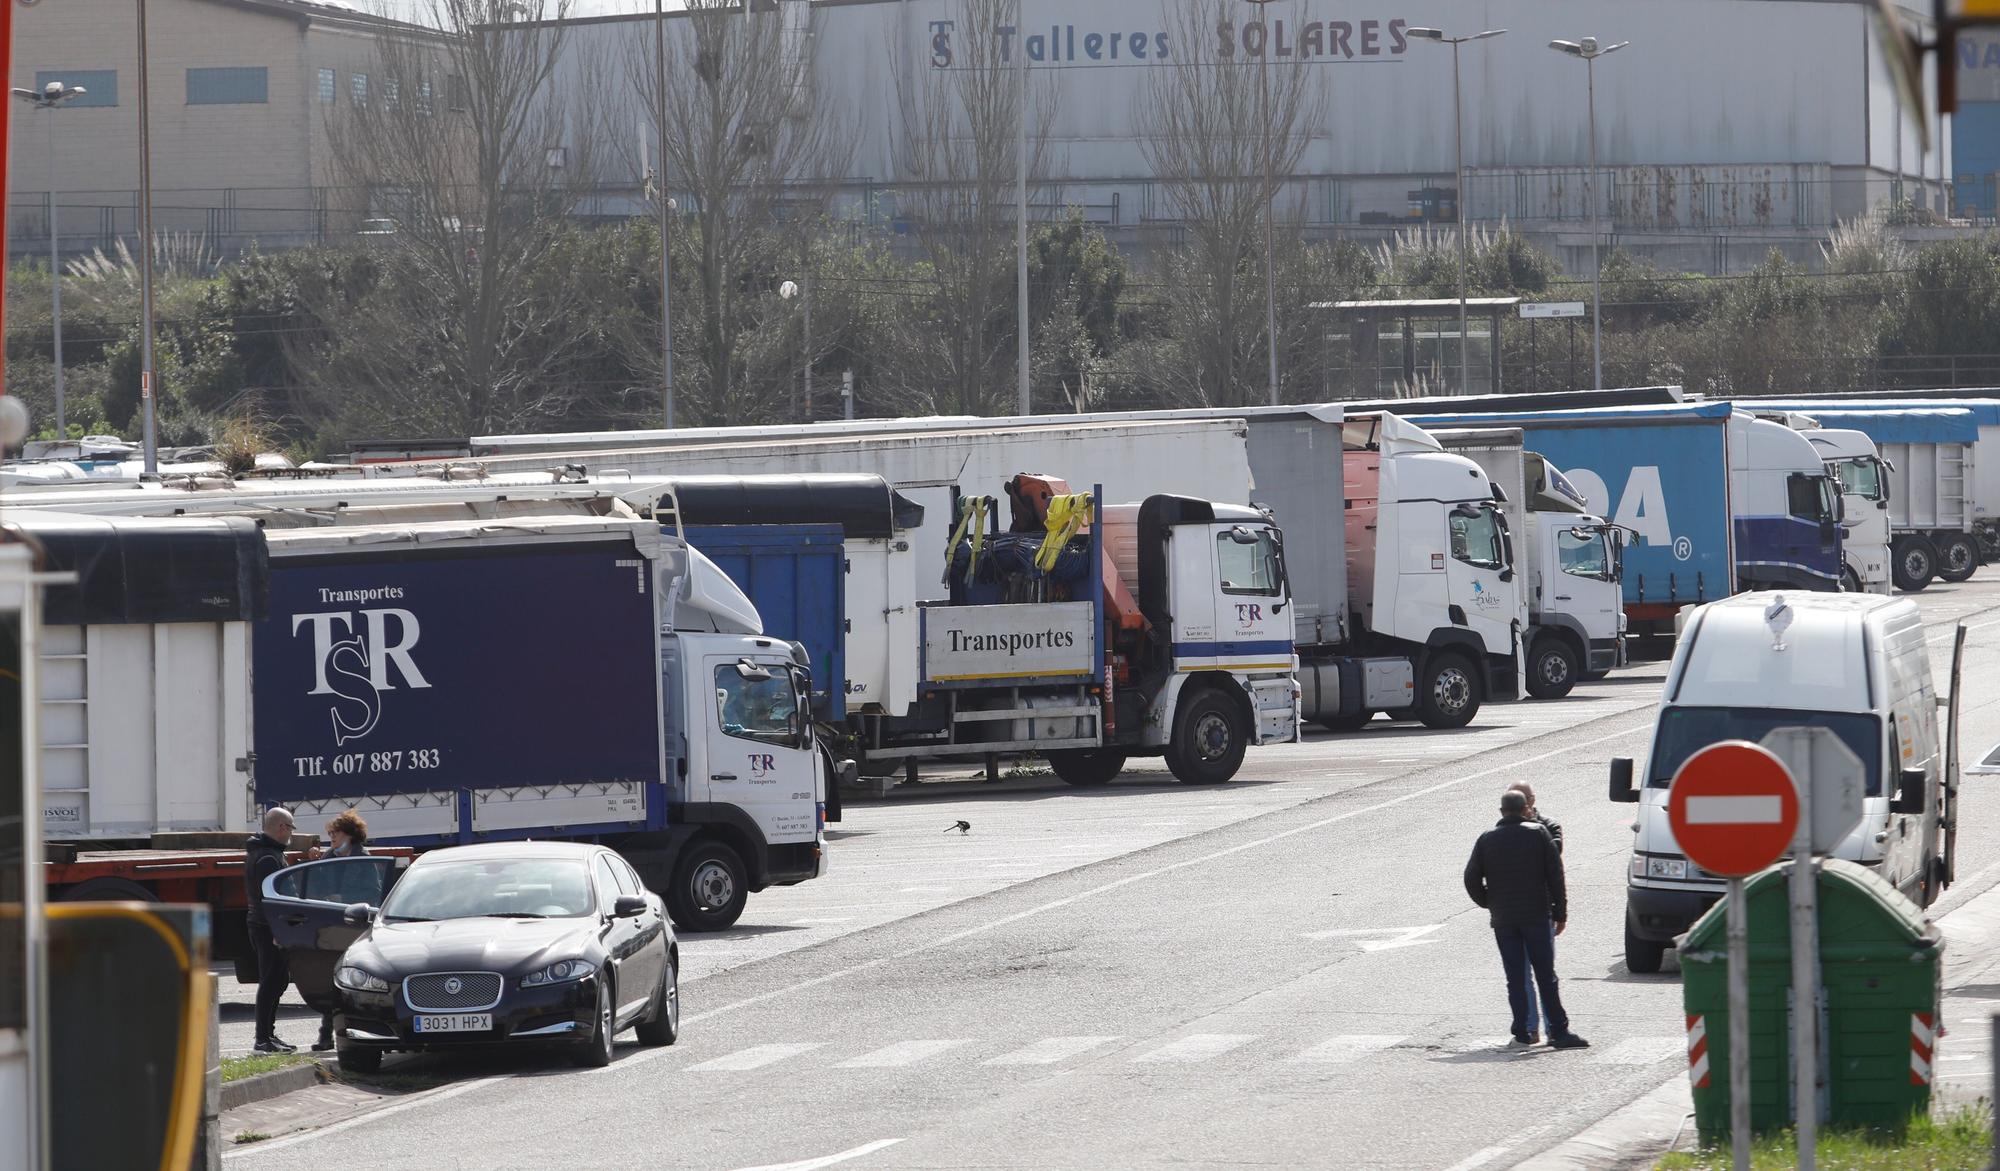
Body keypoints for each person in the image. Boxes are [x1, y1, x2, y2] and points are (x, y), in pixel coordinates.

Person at [1463, 789, 1589, 1050]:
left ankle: (1522, 1032)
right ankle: (1558, 1031)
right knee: (1546, 976)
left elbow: (1471, 878)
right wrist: (1561, 912)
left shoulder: (1486, 839)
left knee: (1516, 977)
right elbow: (1556, 875)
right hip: (1536, 915)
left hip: (1504, 919)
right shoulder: (1538, 834)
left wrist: (1489, 902)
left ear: (1501, 812)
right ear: (1526, 810)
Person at [310, 810, 369, 1052]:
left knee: (348, 982)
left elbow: (371, 892)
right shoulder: (328, 856)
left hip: (354, 927)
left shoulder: (363, 858)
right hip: (332, 926)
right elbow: (315, 887)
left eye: (336, 832)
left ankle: (349, 1033)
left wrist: (344, 898)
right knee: (327, 980)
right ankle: (326, 1034)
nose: (332, 837)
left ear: (351, 835)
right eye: (330, 833)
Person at [1509, 783, 1562, 1044]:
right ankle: (1530, 1026)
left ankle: (1554, 1027)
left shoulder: (1548, 826)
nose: (1524, 806)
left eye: (1526, 800)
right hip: (1512, 913)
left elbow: (1553, 857)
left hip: (1542, 910)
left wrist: (1561, 912)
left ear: (1532, 800)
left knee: (1545, 971)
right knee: (1521, 974)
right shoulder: (1502, 831)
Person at [245, 806, 297, 1055]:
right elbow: (270, 898)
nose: (290, 835)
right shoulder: (267, 857)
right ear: (281, 827)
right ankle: (261, 1039)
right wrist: (278, 929)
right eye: (290, 828)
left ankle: (270, 1034)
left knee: (279, 979)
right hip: (267, 927)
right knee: (270, 981)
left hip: (268, 925)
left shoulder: (270, 853)